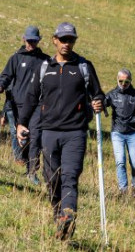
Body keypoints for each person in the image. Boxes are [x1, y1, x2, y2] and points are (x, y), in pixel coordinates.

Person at [17, 22, 104, 240]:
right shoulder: (45, 67)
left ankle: (68, 215)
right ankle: (59, 216)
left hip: (75, 132)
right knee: (52, 178)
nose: (66, 43)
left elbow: (98, 94)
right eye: (63, 39)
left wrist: (98, 103)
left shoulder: (83, 66)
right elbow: (30, 97)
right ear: (54, 40)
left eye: (70, 40)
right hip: (49, 132)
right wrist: (21, 123)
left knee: (70, 176)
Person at [0, 26, 50, 185]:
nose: (32, 43)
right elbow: (6, 76)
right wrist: (1, 86)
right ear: (24, 39)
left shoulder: (45, 60)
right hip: (17, 104)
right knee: (23, 138)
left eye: (35, 40)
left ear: (39, 41)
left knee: (35, 137)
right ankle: (26, 162)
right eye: (29, 40)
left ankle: (32, 171)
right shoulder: (16, 58)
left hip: (37, 106)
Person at [103, 68, 135, 198]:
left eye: (127, 81)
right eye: (121, 81)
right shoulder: (112, 94)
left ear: (130, 81)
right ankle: (123, 190)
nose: (124, 84)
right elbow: (103, 103)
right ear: (117, 80)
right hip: (117, 133)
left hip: (132, 133)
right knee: (120, 162)